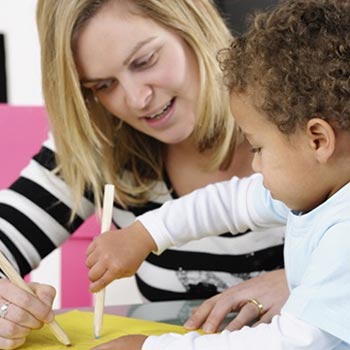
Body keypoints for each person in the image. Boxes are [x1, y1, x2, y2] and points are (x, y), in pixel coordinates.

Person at [0, 0, 288, 348]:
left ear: (190, 23)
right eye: (102, 85)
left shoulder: (308, 113)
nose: (137, 100)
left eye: (144, 61)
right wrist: (6, 306)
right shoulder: (99, 143)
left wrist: (304, 283)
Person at [86, 0, 350, 348]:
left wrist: (150, 347)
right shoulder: (319, 189)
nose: (254, 165)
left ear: (317, 139)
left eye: (258, 148)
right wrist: (144, 234)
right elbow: (232, 201)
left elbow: (293, 343)